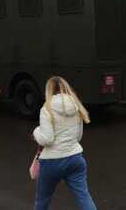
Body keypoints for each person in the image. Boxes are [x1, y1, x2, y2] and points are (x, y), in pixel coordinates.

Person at [33, 76, 96, 210]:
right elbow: (78, 137)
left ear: (49, 90)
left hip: (52, 162)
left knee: (42, 200)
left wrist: (36, 132)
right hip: (75, 159)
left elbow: (47, 140)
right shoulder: (76, 106)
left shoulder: (46, 109)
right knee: (84, 197)